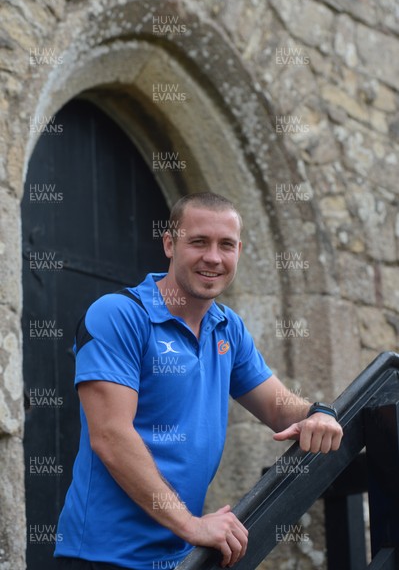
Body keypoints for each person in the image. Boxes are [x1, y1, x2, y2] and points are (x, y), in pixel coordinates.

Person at [55, 192, 343, 570]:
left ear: (239, 250)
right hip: (101, 557)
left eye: (226, 245)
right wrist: (191, 525)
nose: (213, 257)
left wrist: (319, 413)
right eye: (199, 242)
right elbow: (110, 436)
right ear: (170, 244)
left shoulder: (227, 328)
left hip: (177, 558)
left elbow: (277, 407)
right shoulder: (120, 315)